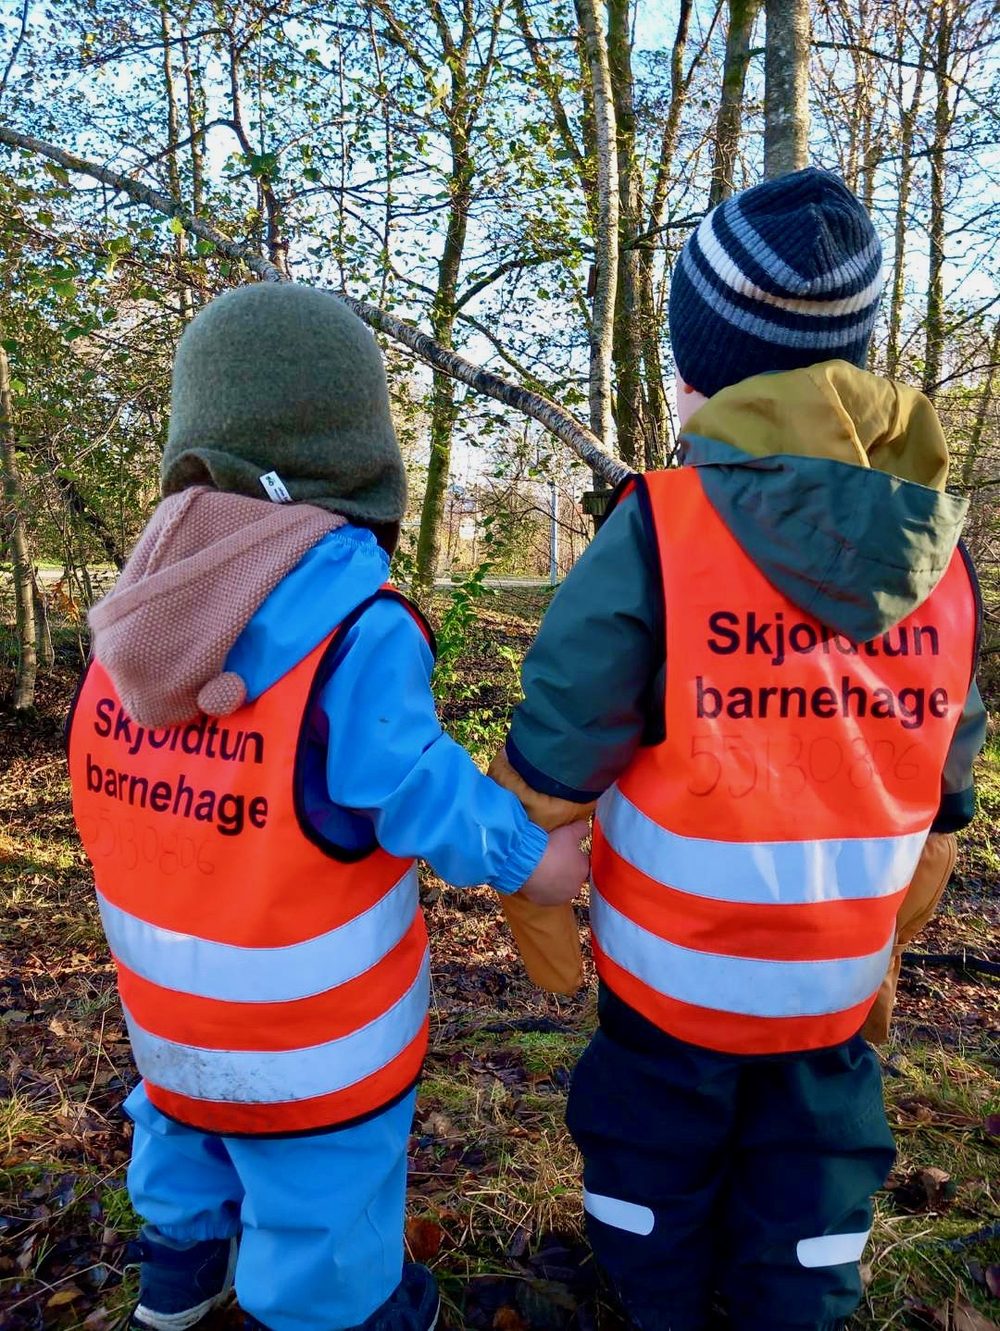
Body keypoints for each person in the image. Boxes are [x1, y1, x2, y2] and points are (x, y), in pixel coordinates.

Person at [490, 168, 987, 1331]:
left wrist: (533, 908)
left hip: (670, 984)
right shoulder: (941, 558)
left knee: (649, 1158)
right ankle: (796, 1299)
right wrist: (887, 937)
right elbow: (945, 795)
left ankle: (657, 1299)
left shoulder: (658, 528)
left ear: (696, 373)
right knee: (814, 1170)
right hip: (833, 985)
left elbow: (557, 748)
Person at [66, 283, 588, 1331]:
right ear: (355, 451)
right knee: (322, 1213)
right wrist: (529, 858)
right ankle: (336, 1309)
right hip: (314, 1048)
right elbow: (414, 783)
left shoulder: (133, 626)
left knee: (183, 1137)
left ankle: (177, 1281)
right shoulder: (350, 626)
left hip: (168, 1023)